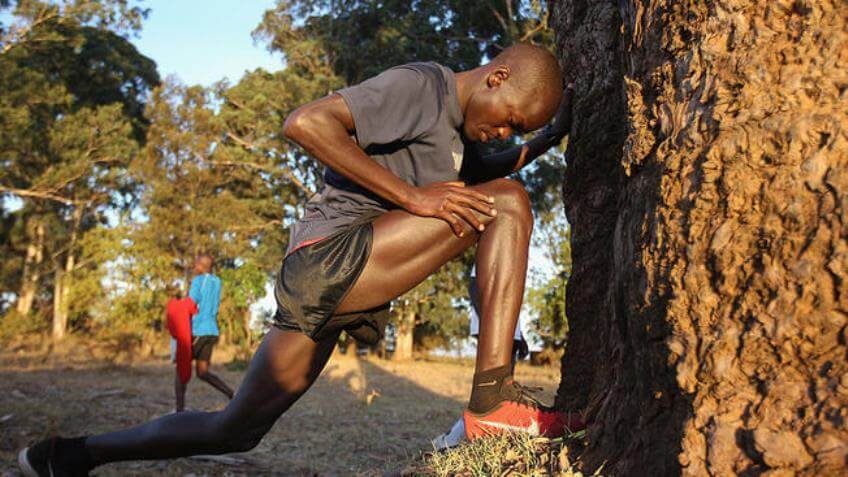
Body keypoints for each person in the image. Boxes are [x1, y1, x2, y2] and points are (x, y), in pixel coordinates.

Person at [17, 43, 583, 475]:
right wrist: (414, 197)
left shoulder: (458, 141)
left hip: (339, 277)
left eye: (518, 131)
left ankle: (68, 456)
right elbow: (305, 122)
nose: (505, 132)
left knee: (235, 429)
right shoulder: (423, 87)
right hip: (330, 258)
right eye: (511, 117)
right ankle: (492, 400)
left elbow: (490, 171)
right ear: (497, 76)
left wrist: (555, 133)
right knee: (508, 204)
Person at [431, 268, 533, 451]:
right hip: (495, 334)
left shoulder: (514, 255)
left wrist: (521, 337)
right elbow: (475, 286)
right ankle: (450, 440)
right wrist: (493, 327)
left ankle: (475, 439)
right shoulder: (495, 246)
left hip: (510, 334)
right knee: (489, 394)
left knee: (502, 394)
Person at [187, 254, 234, 402]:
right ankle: (232, 394)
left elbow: (190, 305)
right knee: (202, 372)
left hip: (198, 330)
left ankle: (179, 409)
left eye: (196, 264)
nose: (194, 267)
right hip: (212, 330)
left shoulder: (198, 281)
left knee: (181, 368)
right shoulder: (217, 282)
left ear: (202, 266)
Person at [164, 283, 197, 412]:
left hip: (181, 339)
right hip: (181, 339)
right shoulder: (182, 304)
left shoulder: (174, 304)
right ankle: (179, 407)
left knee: (181, 371)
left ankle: (180, 406)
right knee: (180, 371)